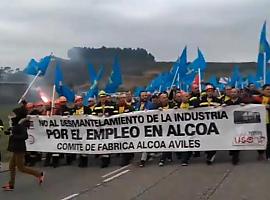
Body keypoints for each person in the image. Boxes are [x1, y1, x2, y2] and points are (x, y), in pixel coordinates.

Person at [2, 107, 44, 191]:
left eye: (13, 114)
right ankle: (11, 185)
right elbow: (14, 130)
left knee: (21, 168)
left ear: (18, 115)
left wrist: (13, 135)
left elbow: (25, 136)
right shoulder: (16, 124)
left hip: (19, 149)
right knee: (11, 166)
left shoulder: (21, 125)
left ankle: (39, 174)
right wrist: (9, 131)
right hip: (15, 148)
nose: (12, 115)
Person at [92, 90, 116, 168]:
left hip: (109, 128)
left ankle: (106, 160)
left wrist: (109, 114)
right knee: (102, 144)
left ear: (105, 97)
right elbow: (92, 116)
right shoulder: (96, 107)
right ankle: (104, 159)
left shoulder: (111, 105)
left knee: (107, 143)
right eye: (101, 97)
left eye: (104, 97)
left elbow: (116, 114)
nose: (102, 98)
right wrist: (96, 115)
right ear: (99, 98)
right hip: (100, 128)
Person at [199, 84, 222, 165]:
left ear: (213, 91)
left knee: (213, 139)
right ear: (206, 92)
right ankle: (209, 153)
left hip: (214, 124)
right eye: (208, 91)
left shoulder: (218, 100)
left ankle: (211, 156)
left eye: (211, 91)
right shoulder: (201, 100)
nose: (210, 93)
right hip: (204, 124)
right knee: (206, 139)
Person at [134, 91, 157, 167]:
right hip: (139, 126)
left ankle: (143, 160)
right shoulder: (137, 105)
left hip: (148, 126)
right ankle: (148, 154)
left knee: (145, 142)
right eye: (143, 95)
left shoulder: (151, 105)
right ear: (140, 97)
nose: (144, 97)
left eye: (145, 95)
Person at [114, 93, 135, 166]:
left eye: (123, 98)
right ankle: (127, 156)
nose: (122, 99)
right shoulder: (115, 108)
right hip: (118, 129)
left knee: (126, 144)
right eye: (120, 98)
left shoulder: (130, 108)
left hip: (128, 129)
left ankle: (126, 159)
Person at [224, 88, 243, 165]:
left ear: (238, 93)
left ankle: (235, 158)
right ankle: (232, 152)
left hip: (239, 124)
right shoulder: (227, 102)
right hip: (229, 124)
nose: (233, 93)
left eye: (235, 92)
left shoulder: (242, 101)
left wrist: (245, 106)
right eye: (232, 92)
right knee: (230, 139)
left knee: (237, 140)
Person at [253, 84, 270, 160]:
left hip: (268, 122)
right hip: (259, 122)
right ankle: (260, 153)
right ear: (263, 91)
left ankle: (268, 155)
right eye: (267, 89)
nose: (269, 91)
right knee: (259, 138)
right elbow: (248, 104)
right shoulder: (257, 99)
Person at [158, 92, 175, 167]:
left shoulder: (172, 105)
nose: (165, 99)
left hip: (172, 128)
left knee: (168, 143)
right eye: (163, 98)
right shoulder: (156, 107)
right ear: (160, 99)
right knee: (166, 143)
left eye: (166, 97)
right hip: (161, 129)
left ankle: (164, 158)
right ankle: (166, 157)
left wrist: (176, 110)